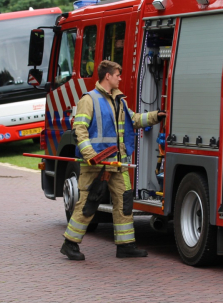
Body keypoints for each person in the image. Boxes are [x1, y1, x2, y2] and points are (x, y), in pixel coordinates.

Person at [61, 60, 165, 260]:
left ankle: (125, 246)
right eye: (118, 74)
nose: (120, 78)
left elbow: (133, 120)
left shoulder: (119, 100)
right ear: (107, 76)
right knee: (88, 203)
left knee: (124, 202)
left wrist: (156, 116)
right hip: (96, 164)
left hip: (118, 164)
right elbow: (79, 130)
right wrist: (90, 155)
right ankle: (70, 243)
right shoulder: (89, 100)